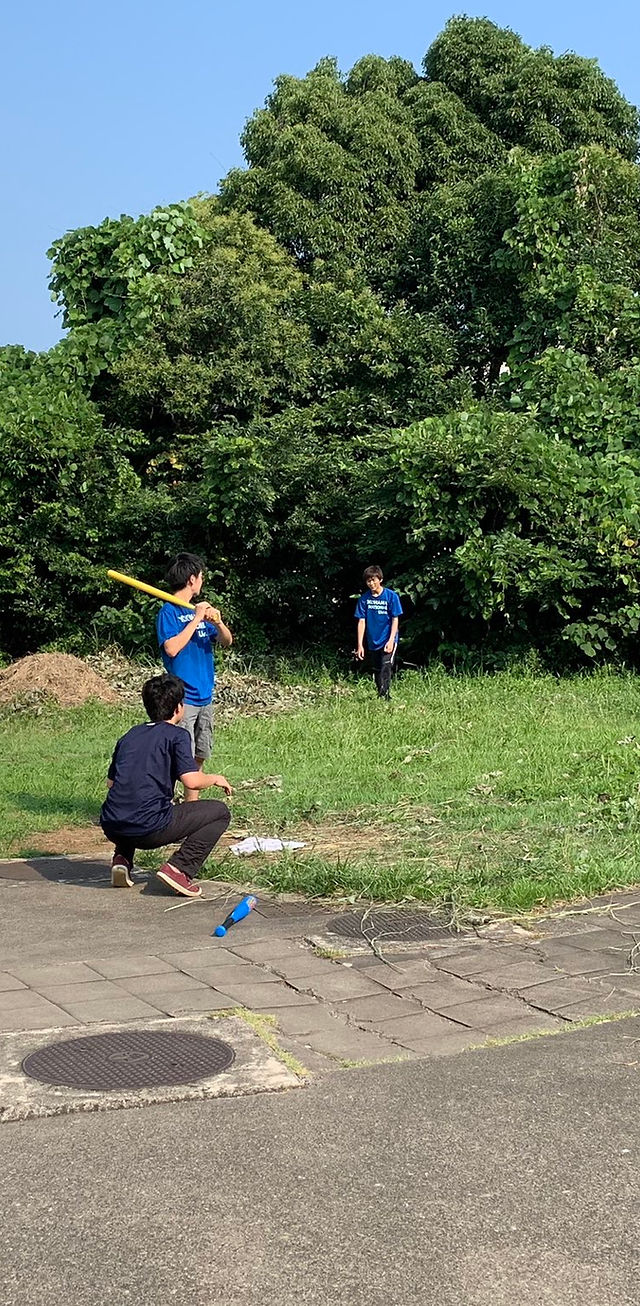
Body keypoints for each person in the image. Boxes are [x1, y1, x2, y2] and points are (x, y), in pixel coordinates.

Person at [100, 674, 232, 897]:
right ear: (179, 707)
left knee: (132, 801)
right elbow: (192, 781)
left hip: (112, 824)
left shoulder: (130, 735)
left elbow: (111, 783)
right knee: (220, 812)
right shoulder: (177, 735)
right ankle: (180, 869)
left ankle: (122, 858)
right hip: (149, 830)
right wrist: (215, 778)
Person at [157, 552, 232, 801]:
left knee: (199, 754)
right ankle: (163, 803)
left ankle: (192, 807)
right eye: (201, 576)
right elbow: (172, 648)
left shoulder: (201, 610)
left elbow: (227, 642)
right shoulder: (169, 612)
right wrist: (196, 619)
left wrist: (219, 623)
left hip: (205, 695)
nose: (202, 581)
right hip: (184, 699)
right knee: (181, 757)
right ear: (192, 579)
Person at [354, 565, 403, 699]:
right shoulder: (364, 599)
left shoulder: (391, 596)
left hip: (388, 638)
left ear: (380, 579)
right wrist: (360, 645)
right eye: (368, 581)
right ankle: (380, 694)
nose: (371, 583)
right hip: (373, 640)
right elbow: (361, 621)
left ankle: (386, 697)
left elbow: (395, 619)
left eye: (373, 580)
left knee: (386, 667)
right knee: (377, 669)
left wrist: (391, 640)